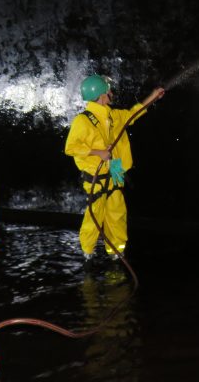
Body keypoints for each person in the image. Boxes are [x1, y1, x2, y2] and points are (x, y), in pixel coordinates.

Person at [64, 74, 164, 262]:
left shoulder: (113, 115)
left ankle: (117, 251)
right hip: (96, 176)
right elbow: (70, 148)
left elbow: (134, 113)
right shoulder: (82, 121)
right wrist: (97, 152)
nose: (111, 93)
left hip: (116, 170)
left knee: (117, 213)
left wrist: (153, 96)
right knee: (95, 214)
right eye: (108, 91)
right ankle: (87, 250)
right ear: (101, 96)